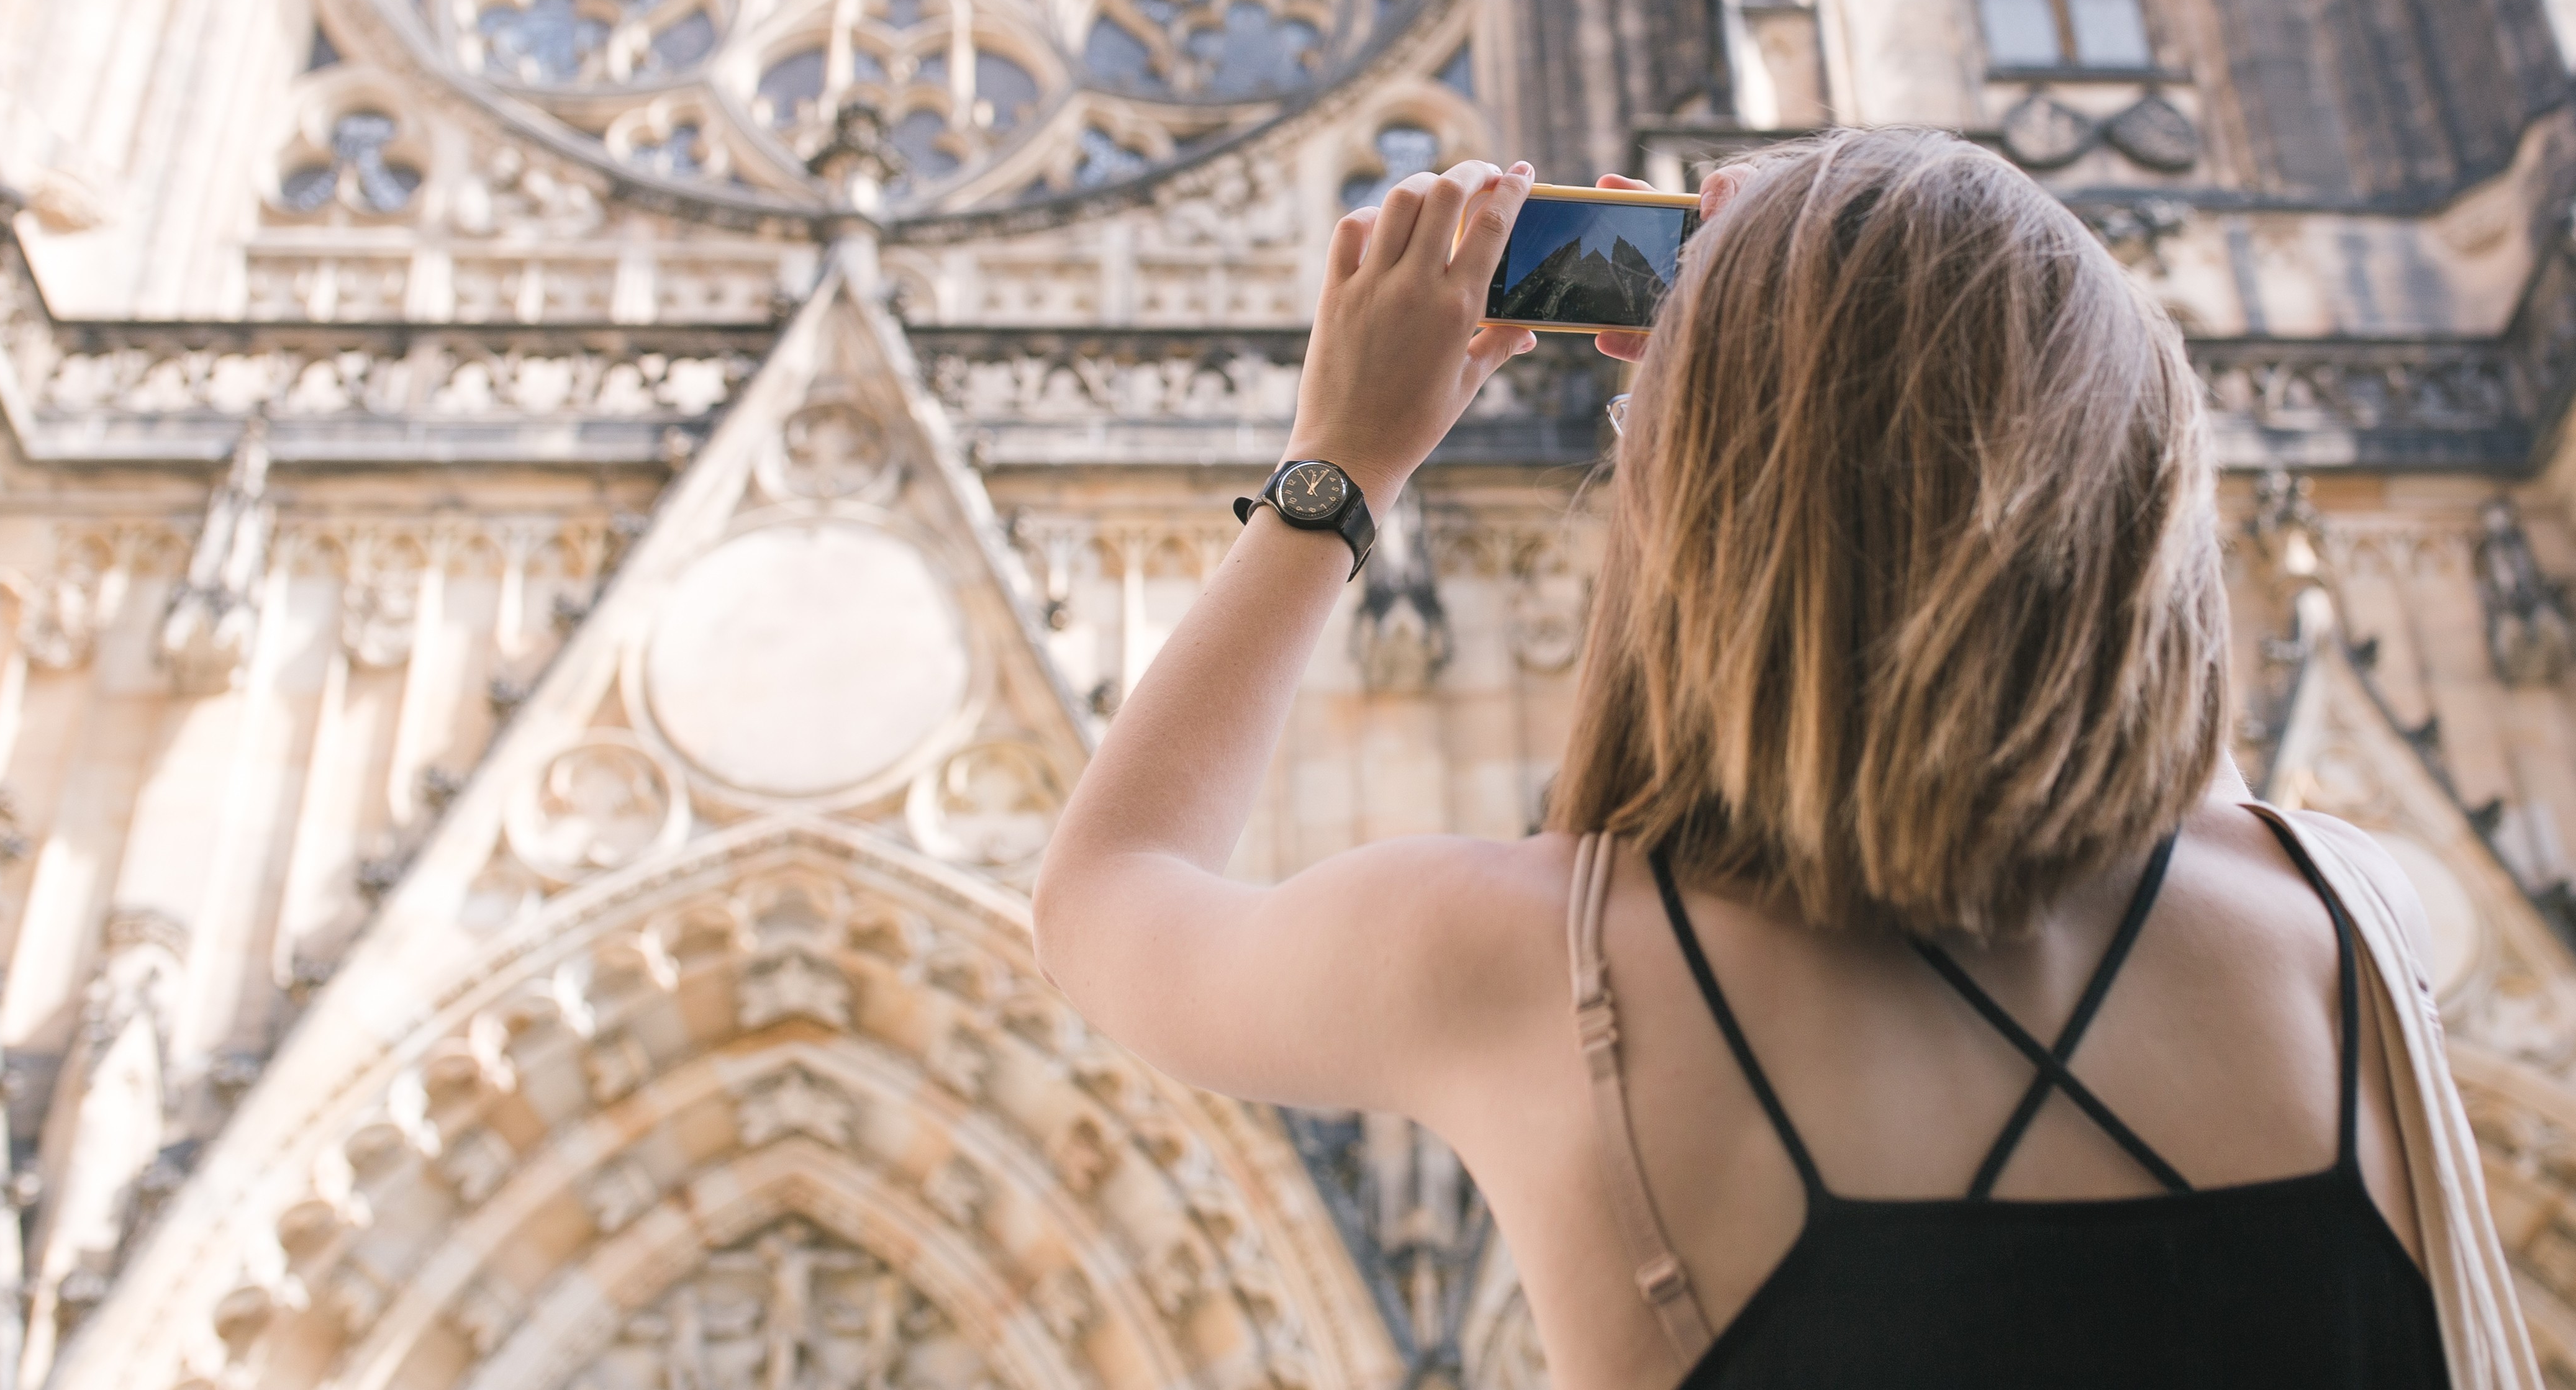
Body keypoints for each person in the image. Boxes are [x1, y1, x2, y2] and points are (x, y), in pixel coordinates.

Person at [1030, 129, 2467, 1388]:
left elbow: (1107, 897)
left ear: (1699, 506)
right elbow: (2120, 673)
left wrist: (1343, 463)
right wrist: (1829, 308)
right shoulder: (2357, 919)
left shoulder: (1538, 972)